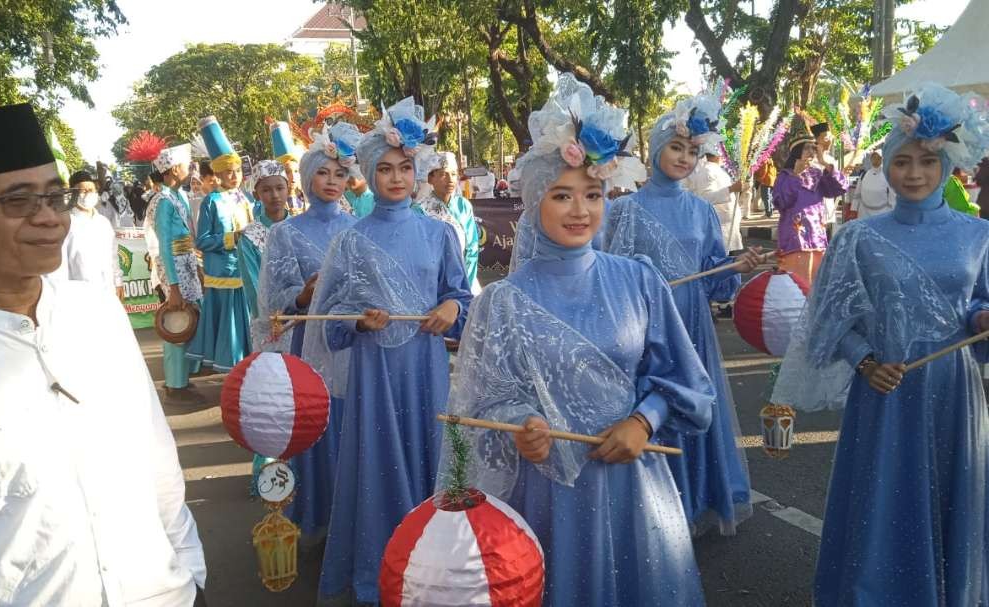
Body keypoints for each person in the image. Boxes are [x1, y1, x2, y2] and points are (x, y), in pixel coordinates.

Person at [0, 103, 207, 605]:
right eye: (18, 201)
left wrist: (191, 573)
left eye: (56, 196)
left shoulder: (100, 316)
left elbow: (157, 463)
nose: (48, 219)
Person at [447, 73, 714, 607]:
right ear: (532, 201)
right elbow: (485, 405)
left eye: (592, 194)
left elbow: (687, 382)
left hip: (633, 482)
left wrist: (644, 421)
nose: (580, 210)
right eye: (562, 195)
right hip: (546, 494)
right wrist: (521, 427)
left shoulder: (638, 279)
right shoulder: (502, 301)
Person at [771, 83, 989, 607]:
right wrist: (865, 363)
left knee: (950, 498)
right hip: (884, 389)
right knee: (883, 499)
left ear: (948, 166)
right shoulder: (857, 238)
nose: (913, 173)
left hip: (953, 391)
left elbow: (979, 307)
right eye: (902, 160)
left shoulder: (977, 235)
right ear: (886, 163)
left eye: (927, 162)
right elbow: (828, 320)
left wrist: (983, 318)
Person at [304, 97, 472, 604]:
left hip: (426, 369)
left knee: (433, 457)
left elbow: (461, 296)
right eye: (385, 168)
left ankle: (437, 569)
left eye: (405, 167)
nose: (396, 177)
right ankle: (385, 568)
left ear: (417, 169)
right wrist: (357, 320)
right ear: (370, 174)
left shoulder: (440, 232)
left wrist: (450, 309)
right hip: (375, 375)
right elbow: (328, 322)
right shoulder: (351, 242)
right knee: (379, 463)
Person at [604, 90, 765, 536]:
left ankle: (695, 501)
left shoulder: (701, 212)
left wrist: (735, 267)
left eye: (693, 151)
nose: (684, 158)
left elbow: (716, 279)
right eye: (676, 147)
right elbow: (611, 275)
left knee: (690, 408)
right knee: (650, 409)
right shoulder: (624, 209)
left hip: (693, 326)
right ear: (656, 148)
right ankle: (653, 508)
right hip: (644, 331)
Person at [257, 122, 360, 537]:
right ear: (307, 177)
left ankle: (356, 516)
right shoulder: (285, 233)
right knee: (318, 425)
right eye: (323, 173)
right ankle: (319, 517)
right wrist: (304, 295)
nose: (332, 182)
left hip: (355, 343)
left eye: (339, 174)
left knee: (354, 425)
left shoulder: (359, 227)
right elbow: (272, 302)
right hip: (308, 348)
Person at [189, 116, 253, 373]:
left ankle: (246, 367)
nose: (234, 175)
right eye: (228, 171)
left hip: (244, 271)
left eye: (237, 170)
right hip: (223, 275)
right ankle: (231, 370)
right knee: (229, 327)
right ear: (217, 173)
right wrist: (231, 239)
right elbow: (202, 240)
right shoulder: (211, 201)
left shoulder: (244, 198)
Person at [152, 144, 206, 406]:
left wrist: (195, 265)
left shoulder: (179, 196)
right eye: (186, 165)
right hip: (173, 267)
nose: (190, 169)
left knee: (190, 319)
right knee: (175, 322)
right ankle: (174, 384)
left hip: (187, 263)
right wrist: (172, 285)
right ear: (174, 169)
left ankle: (184, 377)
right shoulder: (162, 201)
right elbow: (163, 245)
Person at [772, 125, 849, 287]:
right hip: (795, 241)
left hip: (817, 239)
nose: (811, 152)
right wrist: (795, 175)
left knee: (816, 286)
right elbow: (781, 202)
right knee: (796, 287)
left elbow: (839, 188)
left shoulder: (818, 174)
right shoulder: (784, 176)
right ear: (796, 152)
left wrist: (824, 163)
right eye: (806, 148)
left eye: (813, 148)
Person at [49, 170, 124, 300]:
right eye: (83, 191)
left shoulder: (103, 223)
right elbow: (59, 267)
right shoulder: (66, 224)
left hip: (108, 291)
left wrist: (118, 281)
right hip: (79, 297)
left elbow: (113, 256)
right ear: (73, 193)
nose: (88, 193)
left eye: (91, 190)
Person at [240, 159, 290, 351]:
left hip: (301, 317)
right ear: (256, 194)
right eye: (267, 190)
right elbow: (253, 286)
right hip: (268, 322)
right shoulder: (249, 237)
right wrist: (270, 319)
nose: (275, 195)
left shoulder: (301, 229)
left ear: (288, 188)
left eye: (280, 187)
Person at [416, 151, 482, 294]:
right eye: (443, 174)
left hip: (466, 281)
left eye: (453, 174)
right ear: (430, 178)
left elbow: (472, 247)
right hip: (433, 285)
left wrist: (465, 285)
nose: (450, 179)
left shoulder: (463, 206)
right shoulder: (419, 210)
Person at [684, 142, 746, 253]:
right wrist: (731, 189)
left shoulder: (717, 169)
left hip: (728, 225)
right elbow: (704, 198)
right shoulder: (707, 171)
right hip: (719, 227)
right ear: (718, 155)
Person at [811, 122, 840, 236]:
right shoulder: (809, 159)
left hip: (828, 207)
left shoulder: (831, 159)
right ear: (817, 139)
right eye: (825, 137)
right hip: (812, 207)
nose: (829, 140)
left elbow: (837, 183)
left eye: (830, 137)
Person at [849, 150, 895, 219]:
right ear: (871, 159)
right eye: (874, 158)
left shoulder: (888, 176)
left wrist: (893, 212)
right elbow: (857, 194)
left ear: (882, 159)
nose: (876, 160)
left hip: (882, 214)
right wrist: (853, 209)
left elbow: (892, 196)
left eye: (878, 158)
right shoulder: (864, 175)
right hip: (864, 213)